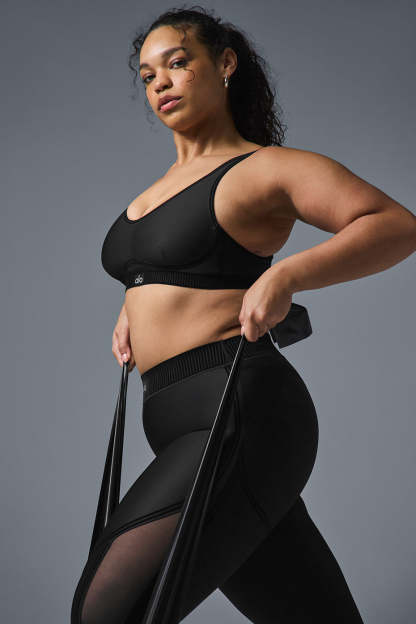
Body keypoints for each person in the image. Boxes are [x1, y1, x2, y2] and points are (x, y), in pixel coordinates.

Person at [71, 7, 416, 623]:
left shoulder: (264, 168)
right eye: (148, 76)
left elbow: (396, 225)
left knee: (106, 612)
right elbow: (187, 269)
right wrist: (133, 307)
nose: (161, 82)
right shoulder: (158, 189)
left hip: (237, 411)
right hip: (171, 416)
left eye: (178, 63)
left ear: (224, 63)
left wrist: (287, 274)